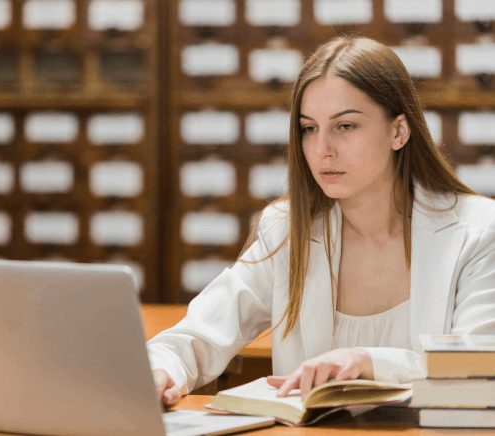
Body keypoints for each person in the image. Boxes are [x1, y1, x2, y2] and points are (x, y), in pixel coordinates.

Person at [148, 35, 495, 406]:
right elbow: (200, 333)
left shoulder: (477, 232)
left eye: (345, 126)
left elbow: (478, 375)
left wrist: (366, 362)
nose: (321, 149)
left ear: (399, 131)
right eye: (309, 128)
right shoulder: (286, 229)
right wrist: (161, 369)